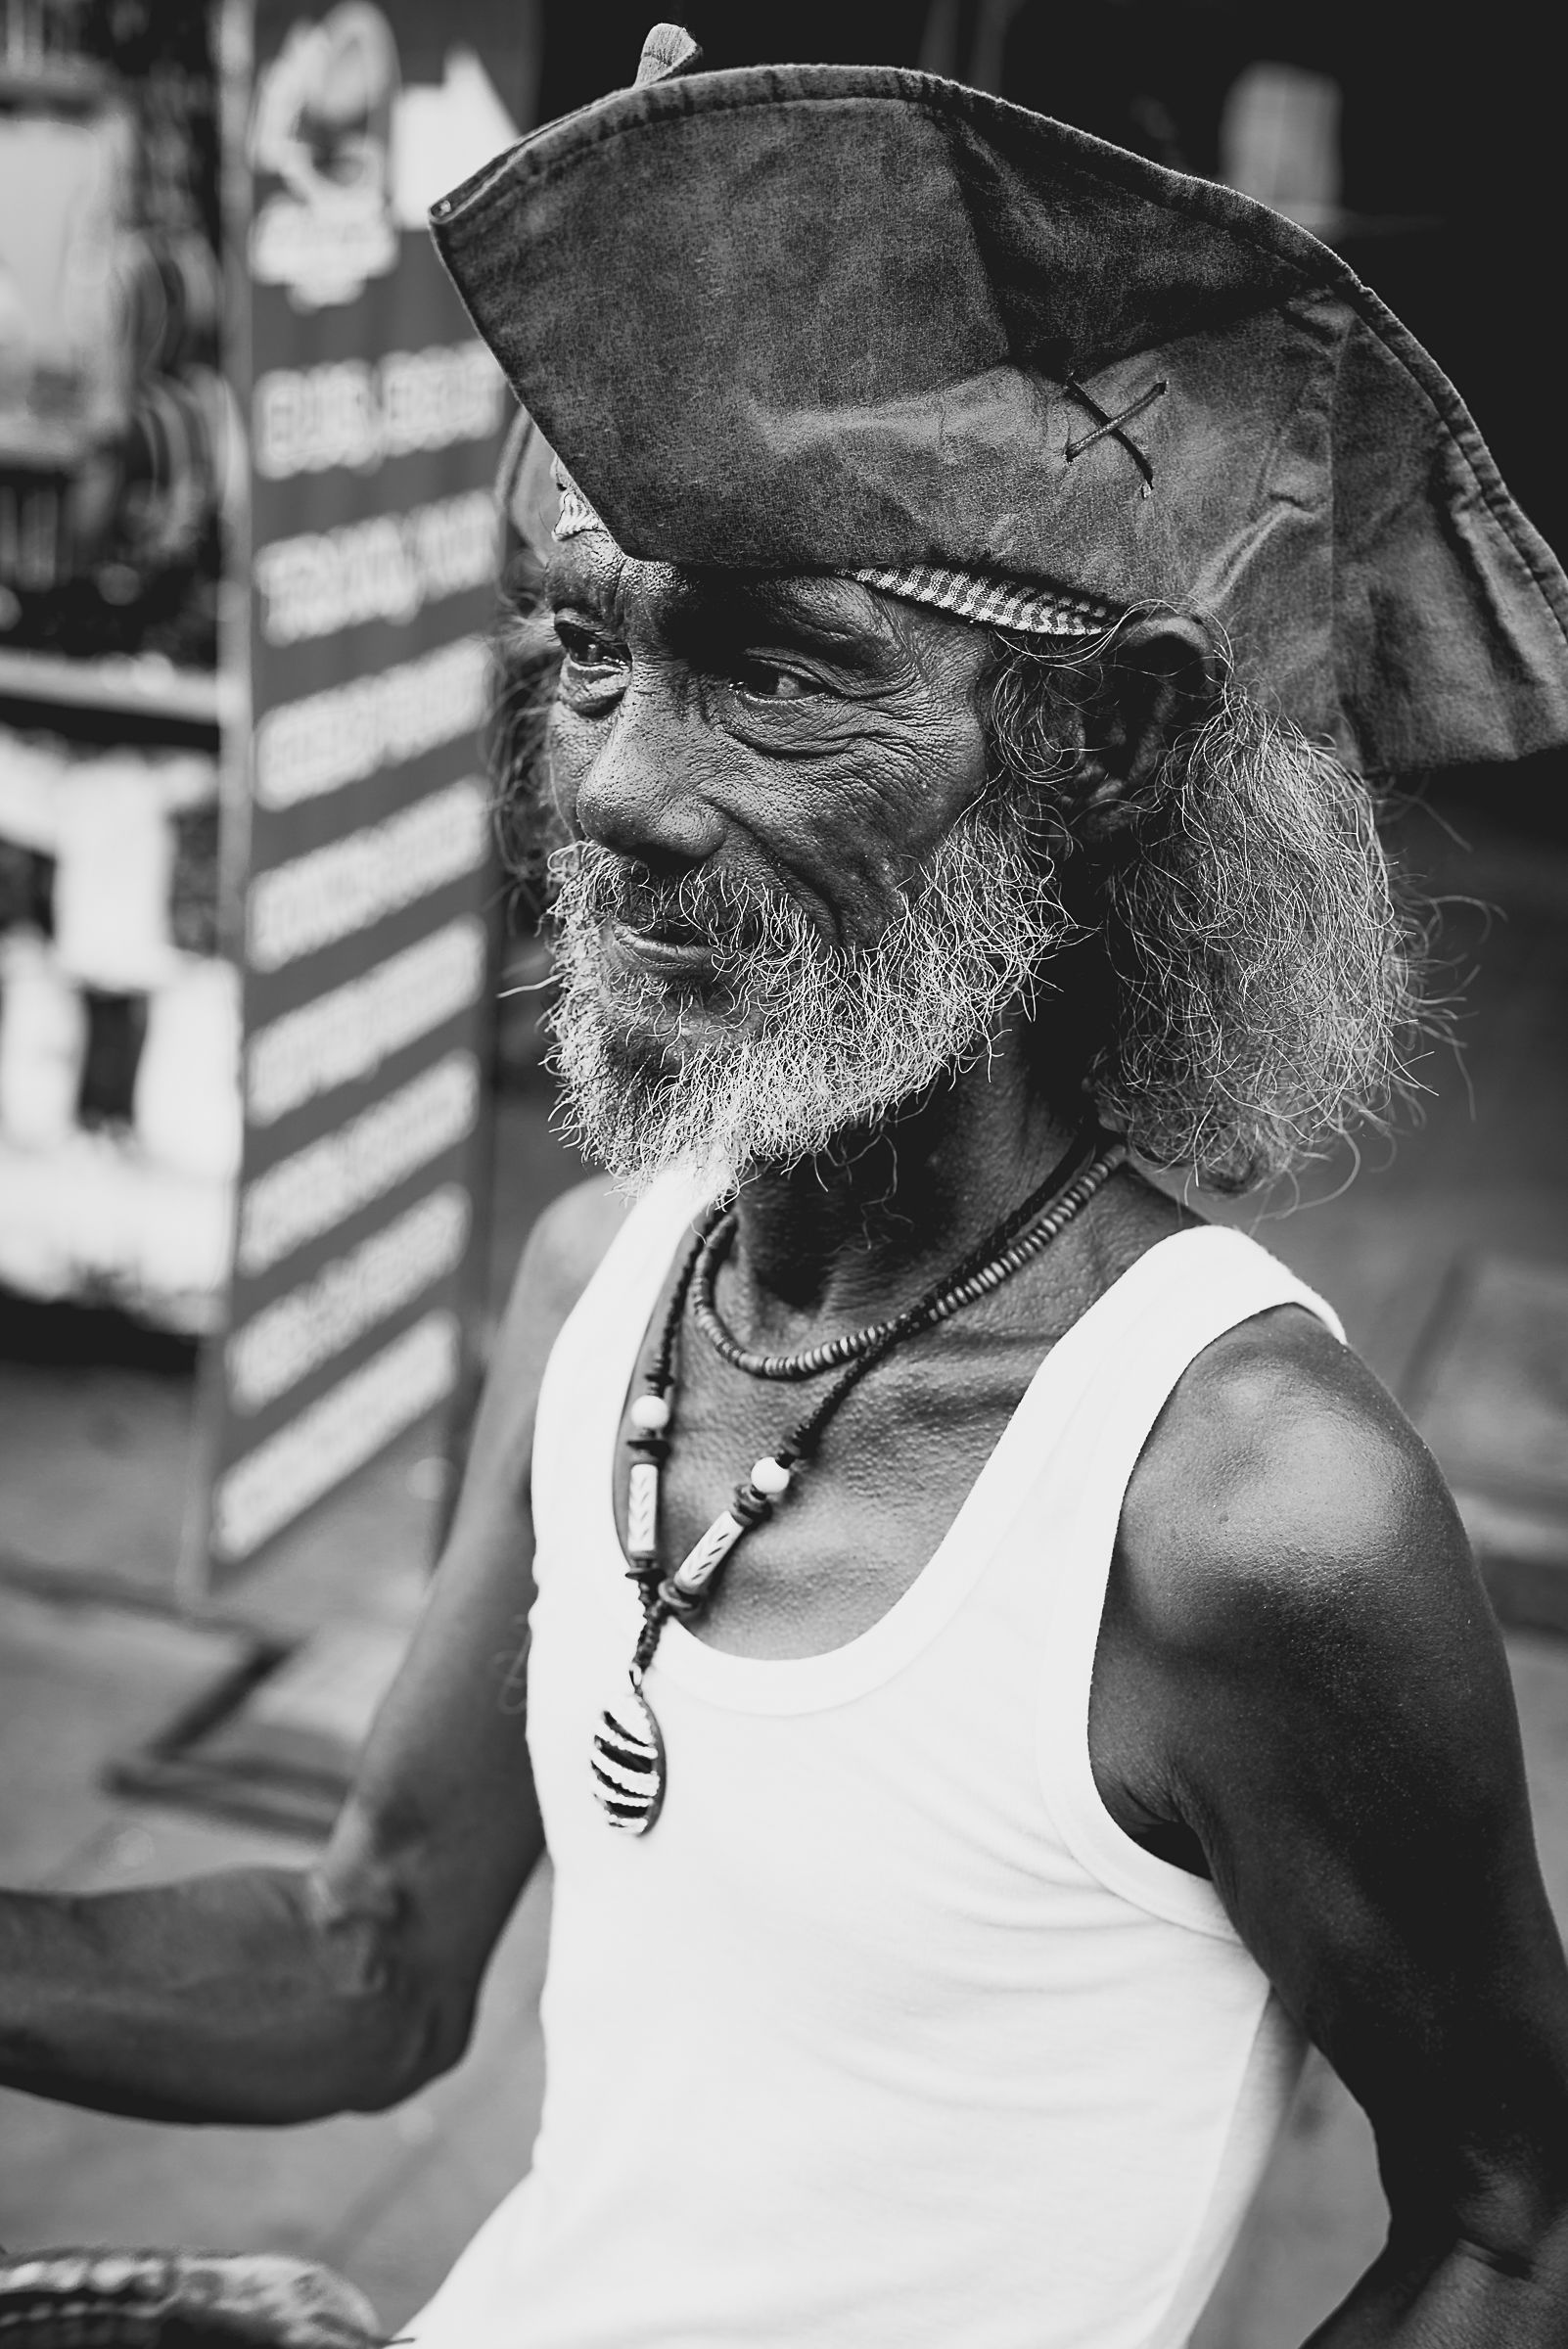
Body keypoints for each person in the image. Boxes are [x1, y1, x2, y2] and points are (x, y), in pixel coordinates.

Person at [7, 24, 1568, 2347]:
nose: (617, 793)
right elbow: (375, 1965)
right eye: (587, 653)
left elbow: (1506, 2217)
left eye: (774, 681)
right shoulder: (594, 1288)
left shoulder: (1244, 1513)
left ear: (1114, 748)